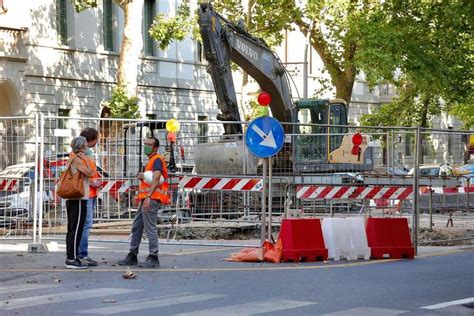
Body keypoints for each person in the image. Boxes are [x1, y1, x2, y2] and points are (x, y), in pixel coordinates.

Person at [118, 137, 169, 268]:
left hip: (151, 199)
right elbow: (151, 179)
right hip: (147, 198)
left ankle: (153, 256)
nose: (146, 146)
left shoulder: (157, 160)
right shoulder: (151, 161)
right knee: (137, 227)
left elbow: (156, 179)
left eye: (149, 144)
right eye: (145, 144)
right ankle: (132, 255)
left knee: (149, 228)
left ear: (155, 148)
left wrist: (148, 197)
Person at [65, 136, 95, 269]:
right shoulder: (77, 160)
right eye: (86, 146)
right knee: (76, 229)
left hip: (74, 198)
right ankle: (72, 259)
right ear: (81, 147)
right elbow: (90, 172)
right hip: (78, 198)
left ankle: (73, 257)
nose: (88, 148)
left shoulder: (73, 158)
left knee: (73, 228)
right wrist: (87, 159)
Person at [77, 128, 101, 266]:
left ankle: (80, 253)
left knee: (84, 224)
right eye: (96, 139)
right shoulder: (82, 157)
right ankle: (82, 254)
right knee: (86, 224)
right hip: (86, 193)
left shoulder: (85, 155)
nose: (97, 142)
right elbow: (84, 175)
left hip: (89, 193)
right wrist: (93, 182)